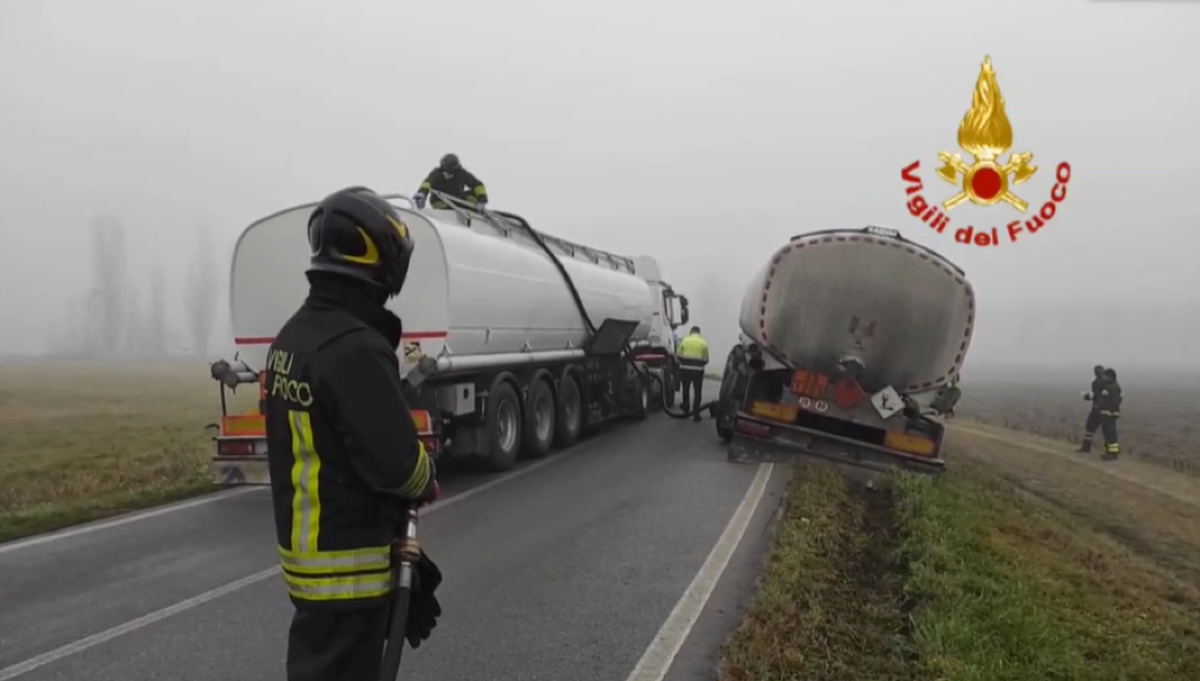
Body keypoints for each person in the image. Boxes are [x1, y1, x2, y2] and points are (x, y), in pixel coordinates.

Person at [263, 186, 443, 681]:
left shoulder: (292, 337)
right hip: (348, 571)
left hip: (309, 565)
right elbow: (400, 466)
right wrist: (426, 473)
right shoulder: (354, 346)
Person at [413, 153, 488, 210]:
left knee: (473, 195)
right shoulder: (437, 173)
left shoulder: (461, 173)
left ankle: (476, 211)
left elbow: (477, 185)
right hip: (440, 201)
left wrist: (482, 199)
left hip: (457, 200)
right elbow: (428, 183)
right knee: (445, 210)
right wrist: (422, 193)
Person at [677, 326, 710, 421]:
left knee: (686, 389)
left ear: (691, 332)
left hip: (685, 369)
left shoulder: (685, 341)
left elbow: (679, 355)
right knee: (697, 392)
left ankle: (686, 407)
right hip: (698, 371)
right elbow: (706, 359)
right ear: (699, 333)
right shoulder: (703, 342)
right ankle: (696, 414)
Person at [1076, 364, 1106, 454]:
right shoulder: (1096, 383)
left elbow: (1100, 396)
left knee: (1106, 431)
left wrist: (1089, 396)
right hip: (1096, 409)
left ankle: (1111, 452)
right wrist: (1089, 397)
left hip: (1103, 410)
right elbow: (1096, 395)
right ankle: (1086, 447)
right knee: (1089, 428)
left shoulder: (1105, 383)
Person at [1094, 367, 1122, 461]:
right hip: (1106, 413)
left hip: (1109, 413)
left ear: (1110, 377)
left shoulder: (1112, 387)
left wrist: (1102, 405)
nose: (1103, 377)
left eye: (1105, 375)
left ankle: (1113, 454)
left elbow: (1112, 401)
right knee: (1107, 433)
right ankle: (1109, 452)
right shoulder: (1108, 386)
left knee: (1110, 434)